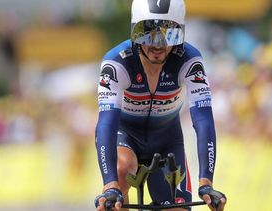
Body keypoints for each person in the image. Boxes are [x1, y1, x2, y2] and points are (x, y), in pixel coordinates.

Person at [94, 0, 226, 210]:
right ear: (134, 32)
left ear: (181, 33)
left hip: (167, 142)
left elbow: (203, 121)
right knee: (120, 173)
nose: (158, 44)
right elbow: (106, 125)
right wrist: (110, 184)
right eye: (147, 33)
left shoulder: (190, 60)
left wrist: (206, 182)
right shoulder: (117, 62)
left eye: (169, 34)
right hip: (126, 136)